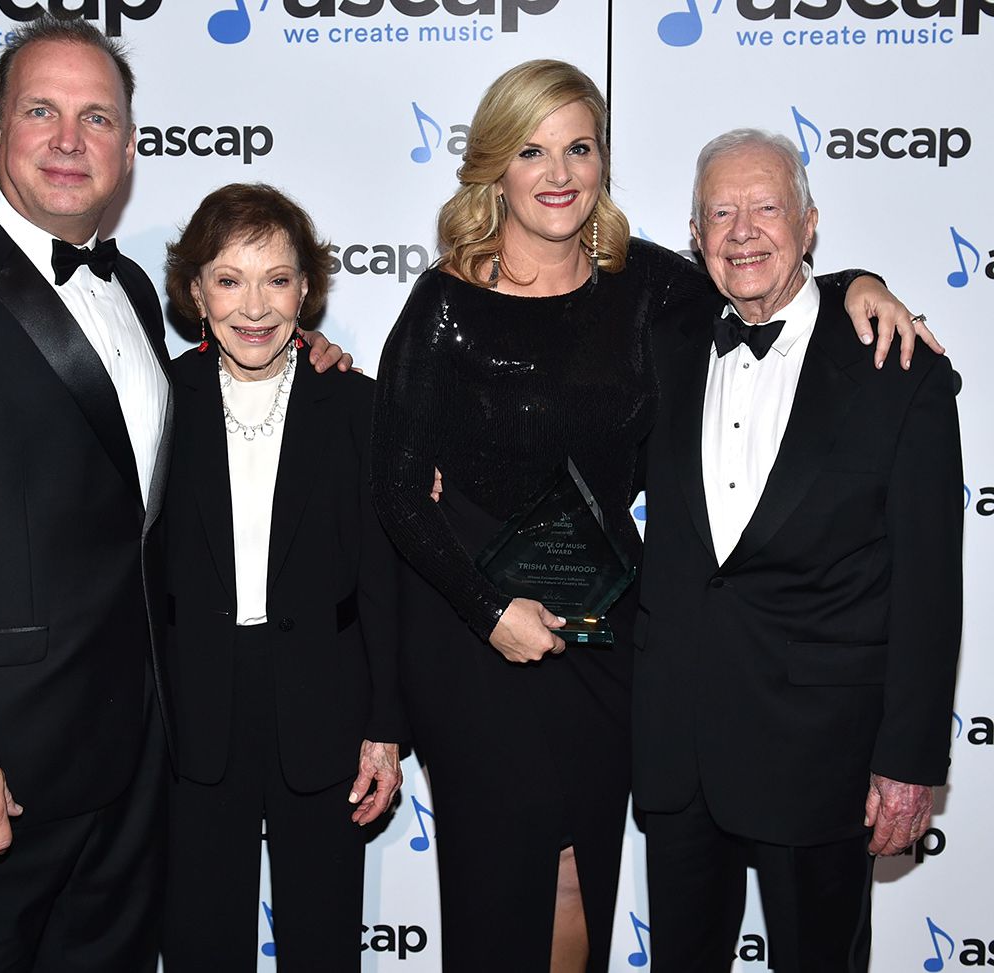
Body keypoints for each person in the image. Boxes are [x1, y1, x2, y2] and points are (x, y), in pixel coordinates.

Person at [0, 16, 345, 971]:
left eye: (96, 118)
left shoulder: (133, 290)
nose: (68, 140)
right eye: (41, 112)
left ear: (131, 147)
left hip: (135, 772)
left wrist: (302, 355)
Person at [370, 60, 932, 972]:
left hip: (602, 638)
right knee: (495, 879)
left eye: (579, 148)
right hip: (477, 648)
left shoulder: (643, 286)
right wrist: (490, 613)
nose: (559, 172)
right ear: (493, 171)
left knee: (581, 874)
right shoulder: (445, 305)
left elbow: (764, 276)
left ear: (602, 163)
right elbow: (395, 490)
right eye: (532, 150)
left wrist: (861, 281)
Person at [631, 129, 963, 973]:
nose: (743, 230)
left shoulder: (897, 368)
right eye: (721, 212)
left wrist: (908, 761)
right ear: (696, 234)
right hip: (681, 754)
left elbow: (930, 589)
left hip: (823, 754)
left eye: (766, 207)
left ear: (810, 224)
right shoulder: (663, 346)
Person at [160, 183, 407, 971]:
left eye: (277, 278)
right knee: (201, 945)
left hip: (325, 707)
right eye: (229, 279)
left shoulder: (360, 406)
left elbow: (386, 582)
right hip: (190, 711)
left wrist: (386, 725)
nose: (254, 305)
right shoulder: (157, 399)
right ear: (196, 292)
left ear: (307, 288)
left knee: (324, 945)